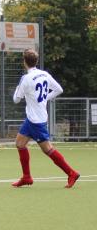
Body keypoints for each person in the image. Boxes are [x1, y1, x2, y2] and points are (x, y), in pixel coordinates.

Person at [12, 49, 80, 188]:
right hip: (33, 118)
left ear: (24, 62)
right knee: (19, 143)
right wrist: (44, 99)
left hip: (36, 121)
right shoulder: (44, 74)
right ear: (36, 61)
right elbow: (59, 89)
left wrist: (19, 86)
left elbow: (16, 100)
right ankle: (26, 177)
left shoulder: (26, 78)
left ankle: (71, 173)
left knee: (48, 149)